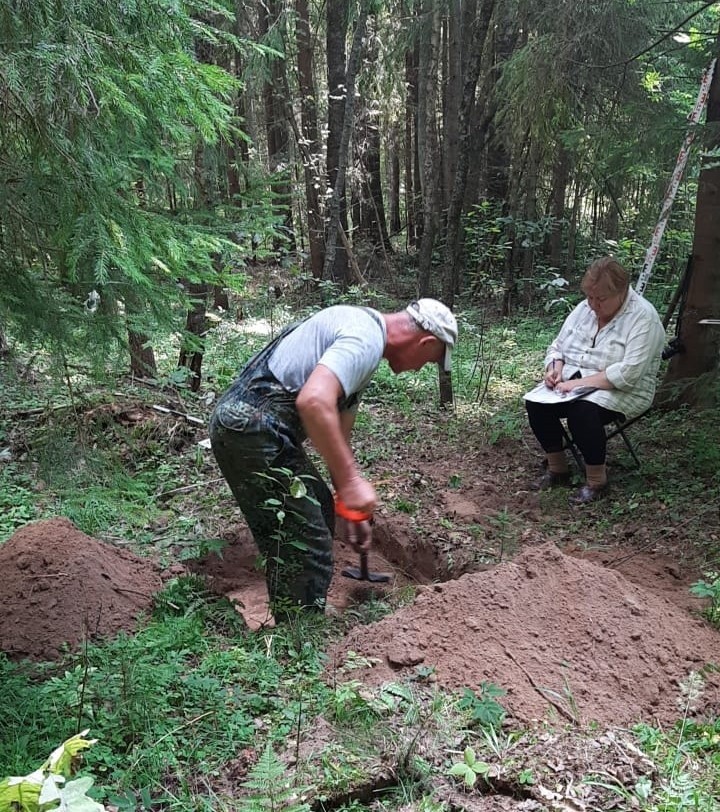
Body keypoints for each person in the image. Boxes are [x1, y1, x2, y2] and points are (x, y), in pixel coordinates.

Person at [208, 299, 458, 618]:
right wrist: (353, 481)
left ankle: (295, 618)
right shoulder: (364, 338)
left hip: (254, 428)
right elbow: (314, 401)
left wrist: (349, 506)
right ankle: (299, 637)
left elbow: (339, 433)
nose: (421, 367)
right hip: (249, 426)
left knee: (319, 507)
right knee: (304, 534)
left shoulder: (363, 337)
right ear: (426, 342)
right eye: (430, 360)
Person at [524, 256, 665, 505]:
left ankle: (597, 482)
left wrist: (577, 384)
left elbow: (628, 373)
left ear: (621, 292)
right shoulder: (583, 309)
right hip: (574, 384)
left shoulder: (644, 317)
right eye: (590, 297)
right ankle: (558, 470)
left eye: (600, 299)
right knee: (536, 404)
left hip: (624, 390)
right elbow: (559, 347)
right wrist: (554, 368)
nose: (593, 305)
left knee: (582, 411)